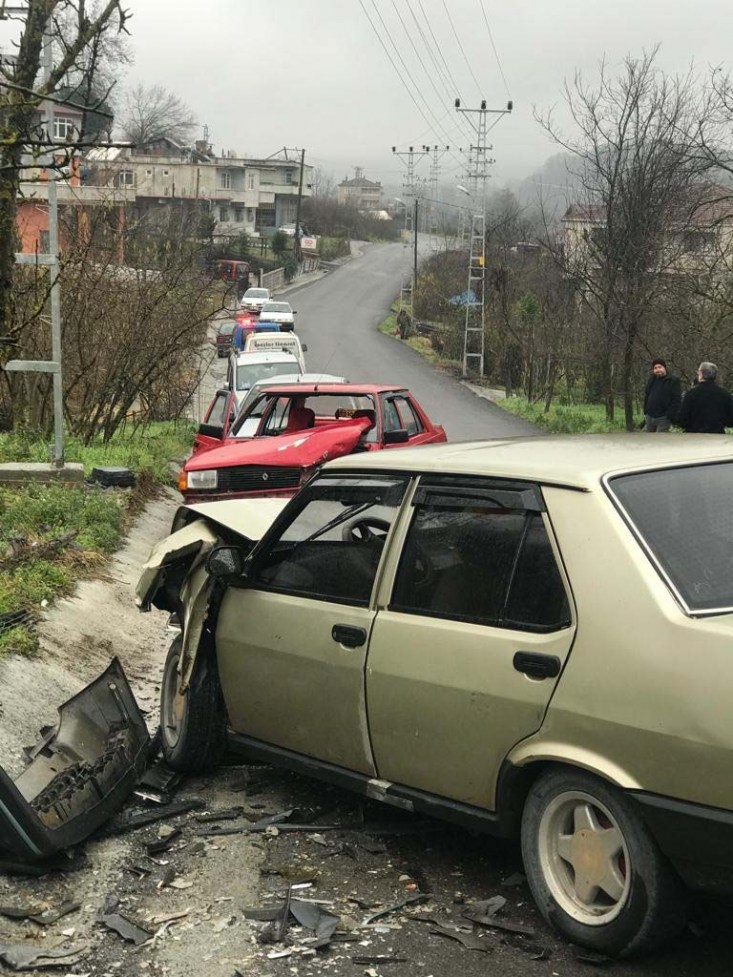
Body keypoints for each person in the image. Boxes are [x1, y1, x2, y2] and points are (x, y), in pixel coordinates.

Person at [677, 362, 733, 433]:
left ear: (701, 374)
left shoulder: (691, 394)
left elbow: (682, 420)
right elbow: (731, 421)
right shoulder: (725, 394)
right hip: (717, 435)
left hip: (693, 435)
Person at [642, 358, 681, 432]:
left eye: (660, 367)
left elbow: (676, 399)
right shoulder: (652, 379)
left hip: (663, 418)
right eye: (655, 368)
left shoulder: (673, 380)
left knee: (660, 438)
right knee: (648, 438)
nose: (658, 370)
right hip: (649, 416)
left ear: (665, 368)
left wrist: (669, 415)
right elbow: (647, 394)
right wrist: (645, 410)